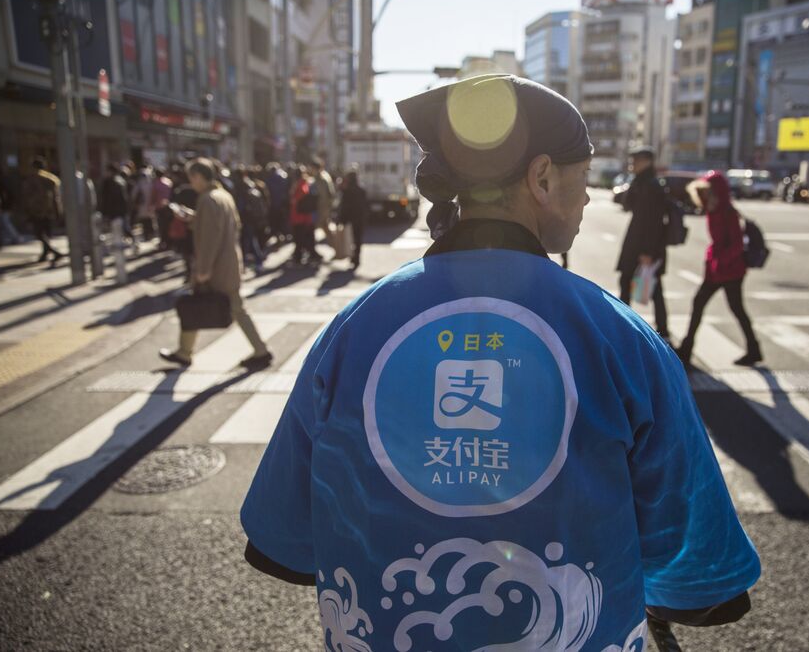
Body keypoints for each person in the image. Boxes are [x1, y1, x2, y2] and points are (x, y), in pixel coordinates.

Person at [240, 75, 759, 651]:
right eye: (583, 178)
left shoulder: (355, 326)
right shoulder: (620, 337)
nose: (588, 196)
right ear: (540, 178)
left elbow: (283, 538)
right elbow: (698, 572)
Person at [159, 158, 272, 370]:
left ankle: (260, 350)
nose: (191, 182)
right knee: (220, 307)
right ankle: (185, 351)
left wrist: (203, 269)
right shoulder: (222, 196)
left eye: (191, 177)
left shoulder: (207, 200)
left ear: (199, 177)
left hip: (217, 266)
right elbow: (225, 227)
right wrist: (194, 218)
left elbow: (210, 238)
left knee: (214, 307)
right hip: (229, 262)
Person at [676, 171, 762, 367]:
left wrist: (719, 260)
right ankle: (687, 348)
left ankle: (753, 349)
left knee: (735, 309)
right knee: (702, 304)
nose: (705, 195)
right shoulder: (713, 210)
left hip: (730, 270)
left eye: (709, 192)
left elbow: (737, 245)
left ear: (718, 192)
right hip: (718, 269)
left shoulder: (727, 212)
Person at [616, 146, 672, 338]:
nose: (632, 165)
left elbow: (655, 222)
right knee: (630, 283)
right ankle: (630, 324)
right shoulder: (641, 182)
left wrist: (648, 251)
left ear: (647, 162)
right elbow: (626, 204)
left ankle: (658, 328)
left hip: (644, 247)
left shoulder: (652, 186)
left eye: (636, 161)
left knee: (649, 287)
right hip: (636, 243)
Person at [21, 157, 64, 264]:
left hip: (38, 211)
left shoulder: (33, 179)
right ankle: (46, 253)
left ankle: (53, 252)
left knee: (39, 233)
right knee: (43, 233)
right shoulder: (52, 179)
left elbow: (28, 197)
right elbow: (57, 198)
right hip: (48, 211)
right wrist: (58, 211)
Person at [288, 166, 321, 266]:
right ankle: (310, 255)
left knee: (300, 238)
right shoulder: (305, 183)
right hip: (304, 217)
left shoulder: (301, 185)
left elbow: (297, 200)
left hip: (301, 218)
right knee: (305, 238)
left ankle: (301, 257)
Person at [338, 168, 368, 270]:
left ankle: (353, 256)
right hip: (359, 218)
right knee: (358, 239)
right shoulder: (361, 190)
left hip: (350, 219)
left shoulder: (347, 191)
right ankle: (356, 258)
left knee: (350, 239)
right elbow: (365, 205)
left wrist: (341, 219)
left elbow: (344, 206)